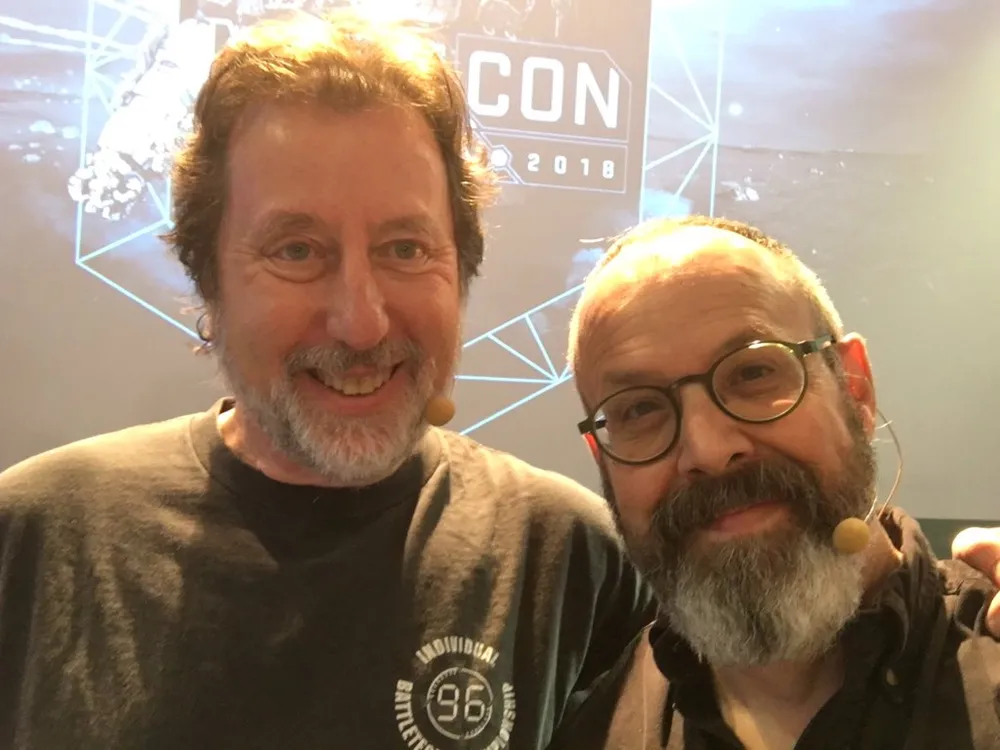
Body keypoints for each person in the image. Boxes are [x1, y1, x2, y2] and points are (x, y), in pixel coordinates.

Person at [0, 13, 997, 750]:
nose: (362, 320)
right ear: (207, 280)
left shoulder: (575, 557)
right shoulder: (32, 537)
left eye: (406, 247)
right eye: (295, 249)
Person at [549, 215, 1000, 749]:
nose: (709, 451)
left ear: (855, 387)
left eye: (753, 372)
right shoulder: (593, 731)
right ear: (604, 460)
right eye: (640, 409)